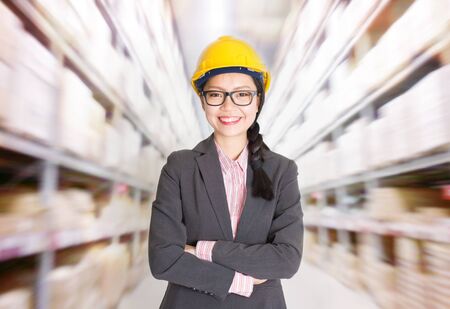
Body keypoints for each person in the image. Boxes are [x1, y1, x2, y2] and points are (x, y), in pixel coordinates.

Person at [148, 35, 303, 309]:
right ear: (203, 101)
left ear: (258, 101)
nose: (228, 106)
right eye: (216, 94)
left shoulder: (282, 171)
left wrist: (201, 250)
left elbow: (286, 259)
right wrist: (241, 281)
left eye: (242, 94)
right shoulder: (179, 167)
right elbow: (163, 259)